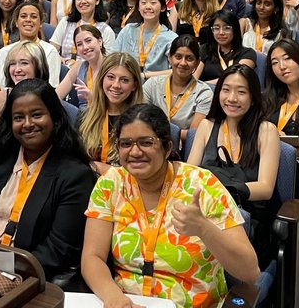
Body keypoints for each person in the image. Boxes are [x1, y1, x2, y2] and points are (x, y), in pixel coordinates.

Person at [81, 103, 259, 308]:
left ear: (167, 148)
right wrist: (113, 296)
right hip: (128, 303)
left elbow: (250, 272)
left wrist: (203, 228)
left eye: (146, 143)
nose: (135, 152)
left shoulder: (202, 185)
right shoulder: (111, 183)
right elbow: (92, 256)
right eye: (126, 143)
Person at [0, 79, 97, 282]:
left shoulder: (76, 176)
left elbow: (58, 249)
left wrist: (4, 273)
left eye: (36, 115)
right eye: (18, 117)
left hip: (24, 277)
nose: (27, 124)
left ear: (54, 118)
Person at [187, 65, 281, 266]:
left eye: (241, 92)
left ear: (254, 97)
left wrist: (224, 191)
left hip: (246, 218)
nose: (231, 98)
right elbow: (189, 177)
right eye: (226, 90)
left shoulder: (266, 130)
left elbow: (265, 188)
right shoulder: (206, 126)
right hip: (207, 212)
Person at [78, 52, 145, 172]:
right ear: (102, 79)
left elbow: (142, 170)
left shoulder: (143, 123)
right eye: (110, 77)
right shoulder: (85, 116)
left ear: (134, 86)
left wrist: (99, 168)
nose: (116, 85)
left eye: (124, 80)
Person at [142, 36, 213, 134]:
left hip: (184, 148)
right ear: (170, 58)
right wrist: (180, 133)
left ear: (197, 62)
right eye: (178, 57)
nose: (183, 63)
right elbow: (141, 122)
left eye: (189, 58)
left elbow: (194, 135)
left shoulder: (204, 93)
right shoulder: (152, 85)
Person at [111, 0, 177, 78]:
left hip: (156, 86)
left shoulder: (171, 38)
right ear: (138, 7)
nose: (148, 7)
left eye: (153, 3)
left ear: (163, 8)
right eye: (143, 3)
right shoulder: (128, 30)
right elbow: (112, 59)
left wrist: (144, 75)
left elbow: (175, 71)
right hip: (125, 83)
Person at [50, 0, 116, 62]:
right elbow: (52, 50)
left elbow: (108, 62)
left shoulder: (106, 31)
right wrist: (58, 58)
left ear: (97, 0)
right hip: (64, 68)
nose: (83, 1)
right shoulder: (66, 22)